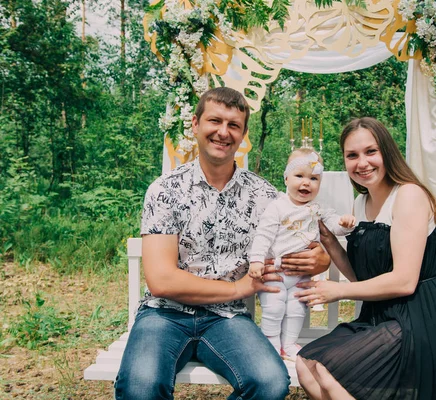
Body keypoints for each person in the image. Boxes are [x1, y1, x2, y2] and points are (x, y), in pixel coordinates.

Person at [113, 87, 331, 400]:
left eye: (234, 125)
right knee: (142, 387)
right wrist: (237, 289)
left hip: (227, 318)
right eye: (215, 121)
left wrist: (320, 259)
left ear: (243, 134)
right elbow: (161, 281)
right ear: (195, 124)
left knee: (269, 382)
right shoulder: (166, 190)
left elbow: (306, 235)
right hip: (164, 315)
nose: (223, 132)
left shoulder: (265, 196)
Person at [294, 117, 436, 400]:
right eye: (352, 155)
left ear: (387, 152)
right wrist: (329, 240)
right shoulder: (361, 203)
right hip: (380, 315)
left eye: (371, 152)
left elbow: (405, 281)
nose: (362, 163)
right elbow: (364, 279)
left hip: (420, 317)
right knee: (305, 363)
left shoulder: (408, 195)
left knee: (327, 371)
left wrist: (337, 291)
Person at [248, 148, 355, 361]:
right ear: (286, 178)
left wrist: (344, 224)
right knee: (274, 307)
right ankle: (270, 342)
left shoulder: (317, 209)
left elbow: (333, 224)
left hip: (301, 277)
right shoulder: (277, 207)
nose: (306, 183)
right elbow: (263, 235)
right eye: (299, 176)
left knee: (297, 309)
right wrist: (257, 260)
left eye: (313, 178)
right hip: (276, 273)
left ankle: (288, 344)